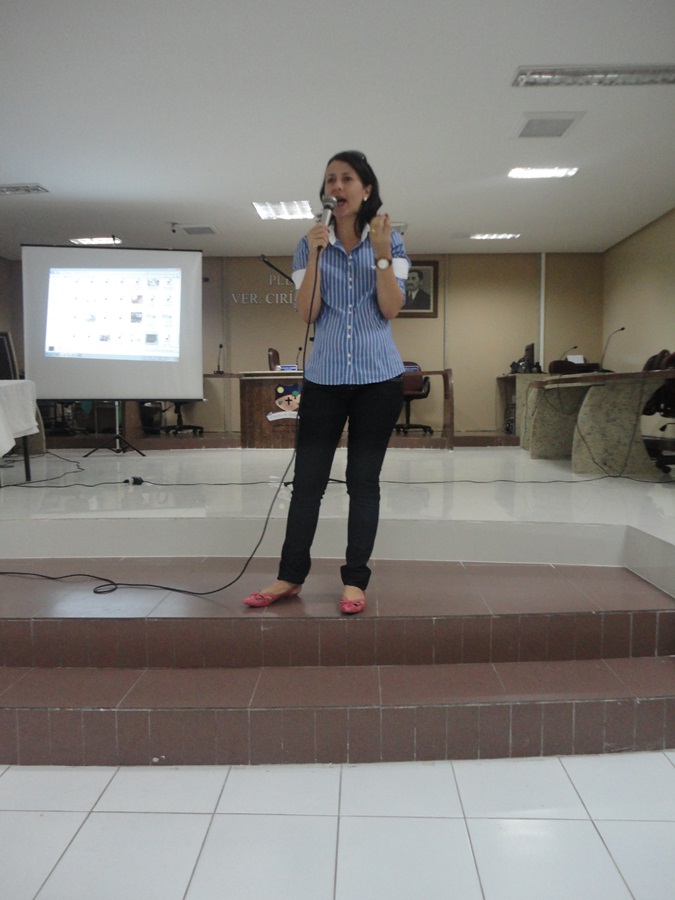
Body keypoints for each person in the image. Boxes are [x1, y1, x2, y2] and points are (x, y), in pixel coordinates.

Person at [243, 150, 410, 614]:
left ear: (366, 189)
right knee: (308, 482)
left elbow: (391, 309)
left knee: (363, 482)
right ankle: (289, 576)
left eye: (346, 178)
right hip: (325, 379)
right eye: (330, 179)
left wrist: (381, 256)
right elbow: (308, 312)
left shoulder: (390, 240)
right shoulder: (308, 243)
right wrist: (316, 256)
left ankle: (355, 581)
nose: (337, 186)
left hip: (379, 380)